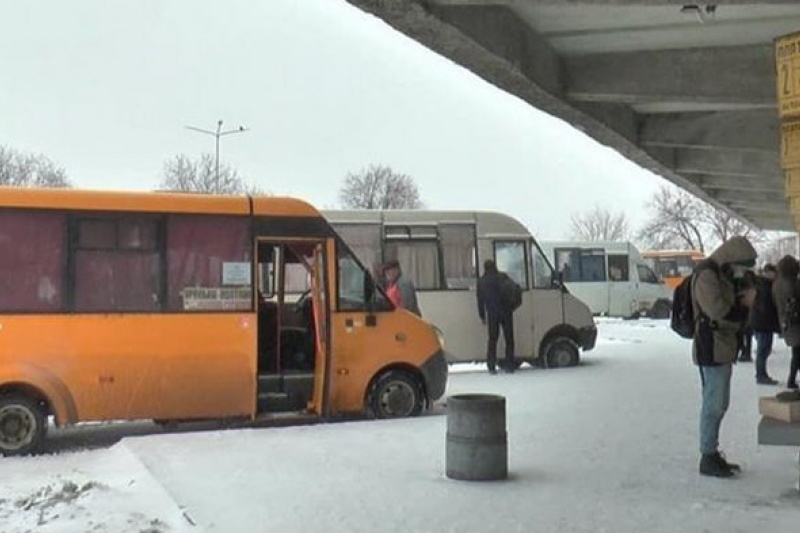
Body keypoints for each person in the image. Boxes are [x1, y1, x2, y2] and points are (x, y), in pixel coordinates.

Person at [692, 236, 757, 478]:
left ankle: (712, 452)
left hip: (722, 348)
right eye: (741, 265)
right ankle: (707, 456)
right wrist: (745, 306)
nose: (741, 271)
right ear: (732, 258)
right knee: (714, 404)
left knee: (720, 404)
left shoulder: (722, 273)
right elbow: (719, 312)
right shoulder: (707, 275)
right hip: (711, 348)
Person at [477, 259, 516, 374]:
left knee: (492, 340)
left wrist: (482, 315)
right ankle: (510, 365)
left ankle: (491, 366)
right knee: (509, 339)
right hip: (506, 312)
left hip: (492, 314)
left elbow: (480, 300)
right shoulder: (503, 276)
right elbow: (512, 290)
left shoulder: (481, 282)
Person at [772, 255, 800, 390]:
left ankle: (792, 379)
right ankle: (791, 379)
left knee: (797, 352)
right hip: (796, 322)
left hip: (785, 321)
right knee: (798, 353)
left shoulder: (776, 284)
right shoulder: (794, 283)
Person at [749, 263, 779, 385]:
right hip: (763, 323)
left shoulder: (760, 284)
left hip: (760, 322)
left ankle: (761, 374)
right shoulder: (765, 286)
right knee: (763, 350)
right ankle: (761, 375)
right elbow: (766, 308)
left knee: (764, 349)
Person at [736, 270, 756, 363]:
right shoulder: (754, 286)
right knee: (747, 335)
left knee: (740, 334)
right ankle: (746, 352)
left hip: (742, 313)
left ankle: (743, 351)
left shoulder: (741, 286)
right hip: (749, 313)